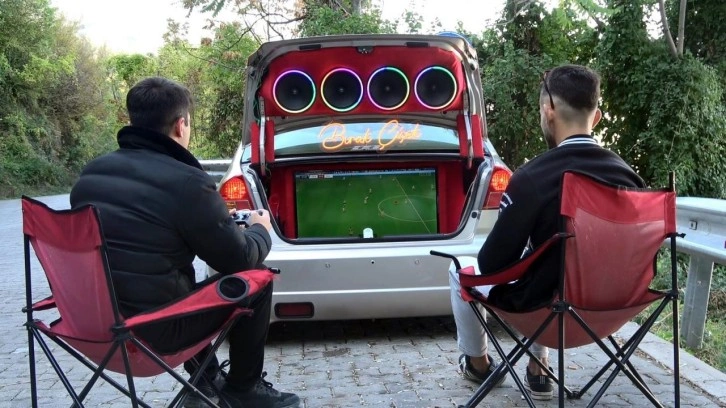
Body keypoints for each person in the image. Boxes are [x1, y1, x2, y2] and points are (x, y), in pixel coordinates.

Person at [70, 77, 300, 408]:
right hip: (156, 332)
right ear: (181, 125)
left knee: (172, 279)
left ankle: (206, 381)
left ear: (132, 120)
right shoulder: (187, 182)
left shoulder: (90, 176)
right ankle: (244, 389)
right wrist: (260, 229)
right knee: (256, 279)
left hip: (91, 327)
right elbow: (239, 259)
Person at [448, 64, 645, 401]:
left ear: (548, 110)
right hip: (614, 310)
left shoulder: (532, 178)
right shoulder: (630, 179)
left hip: (547, 313)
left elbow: (493, 263)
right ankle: (538, 369)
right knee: (548, 260)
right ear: (596, 117)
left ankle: (479, 365)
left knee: (460, 270)